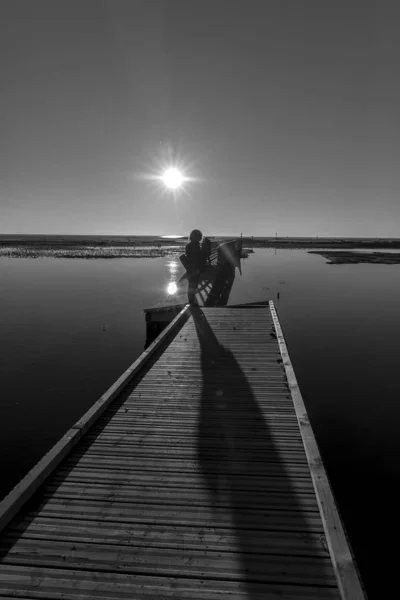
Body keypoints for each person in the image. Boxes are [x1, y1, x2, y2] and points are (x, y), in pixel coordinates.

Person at [185, 229, 204, 305]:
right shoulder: (195, 246)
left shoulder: (190, 245)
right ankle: (191, 301)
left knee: (192, 284)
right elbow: (196, 258)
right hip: (194, 269)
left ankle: (191, 300)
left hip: (191, 269)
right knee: (193, 284)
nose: (200, 238)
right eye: (199, 236)